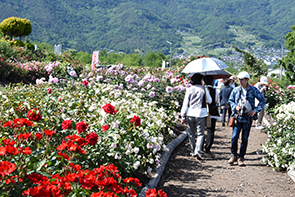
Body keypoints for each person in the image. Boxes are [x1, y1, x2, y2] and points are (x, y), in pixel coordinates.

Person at [228, 71, 266, 166]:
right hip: (237, 117)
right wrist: (234, 107)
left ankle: (241, 157)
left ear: (247, 80)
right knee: (234, 137)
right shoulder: (236, 90)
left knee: (244, 139)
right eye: (239, 79)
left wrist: (255, 110)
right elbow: (231, 100)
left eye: (242, 79)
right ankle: (233, 155)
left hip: (247, 118)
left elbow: (262, 100)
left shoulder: (253, 90)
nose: (240, 81)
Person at [180, 73, 212, 160]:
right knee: (201, 134)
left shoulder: (189, 89)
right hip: (201, 114)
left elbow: (185, 103)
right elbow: (210, 101)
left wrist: (183, 115)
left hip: (190, 113)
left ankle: (192, 150)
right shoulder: (203, 89)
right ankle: (197, 151)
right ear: (201, 80)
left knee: (191, 133)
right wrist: (206, 89)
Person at [203, 75, 220, 153]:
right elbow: (217, 100)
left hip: (203, 111)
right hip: (212, 112)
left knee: (201, 130)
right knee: (211, 130)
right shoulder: (214, 90)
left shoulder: (202, 89)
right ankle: (208, 147)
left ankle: (201, 144)